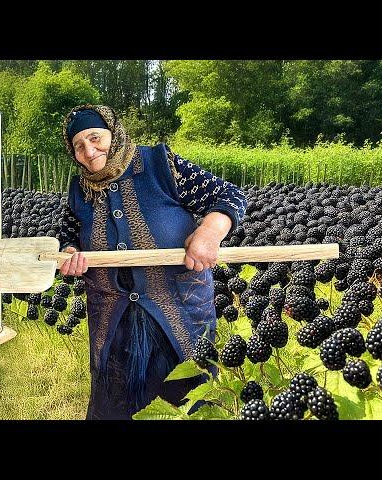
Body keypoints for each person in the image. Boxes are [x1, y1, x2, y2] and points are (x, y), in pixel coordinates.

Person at [58, 104, 247, 420]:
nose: (89, 151)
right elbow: (68, 231)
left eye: (95, 138)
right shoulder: (80, 188)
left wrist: (211, 230)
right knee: (115, 405)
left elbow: (229, 196)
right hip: (114, 323)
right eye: (79, 146)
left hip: (179, 317)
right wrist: (68, 251)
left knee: (187, 402)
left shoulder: (160, 165)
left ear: (113, 133)